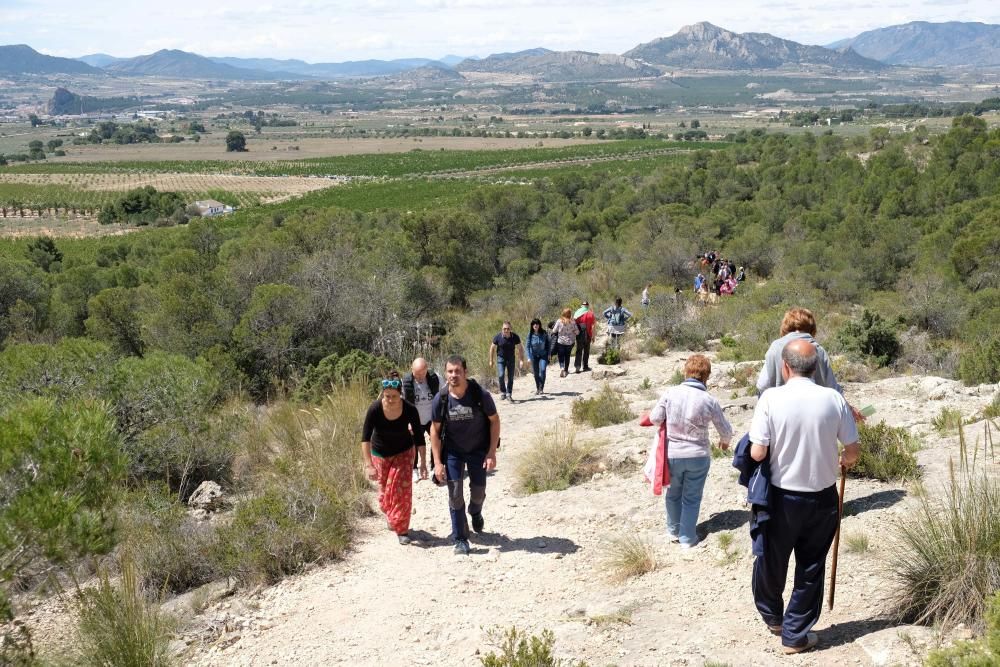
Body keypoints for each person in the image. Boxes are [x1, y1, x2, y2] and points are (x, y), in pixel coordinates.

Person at [748, 340, 860, 654]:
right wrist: (845, 460)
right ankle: (796, 634)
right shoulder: (834, 399)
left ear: (785, 367)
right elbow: (852, 451)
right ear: (816, 368)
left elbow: (758, 451)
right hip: (822, 498)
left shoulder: (771, 398)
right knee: (811, 566)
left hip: (780, 499)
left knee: (772, 559)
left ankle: (774, 618)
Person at [647, 354, 733, 548]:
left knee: (673, 494)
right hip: (698, 455)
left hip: (673, 454)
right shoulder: (709, 400)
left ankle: (673, 531)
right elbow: (725, 430)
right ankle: (687, 538)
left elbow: (654, 418)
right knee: (692, 497)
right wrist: (724, 442)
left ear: (686, 372)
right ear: (706, 376)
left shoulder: (670, 393)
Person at [431, 355, 500, 555]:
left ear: (465, 372)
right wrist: (437, 462)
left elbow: (494, 421)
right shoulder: (441, 399)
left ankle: (475, 511)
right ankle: (460, 538)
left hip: (478, 450)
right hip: (453, 452)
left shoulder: (480, 395)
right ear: (445, 374)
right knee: (454, 495)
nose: (454, 375)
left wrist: (491, 452)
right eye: (450, 371)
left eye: (457, 371)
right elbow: (434, 431)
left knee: (478, 492)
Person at [755, 307, 865, 423]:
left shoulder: (775, 347)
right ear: (812, 327)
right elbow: (831, 386)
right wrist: (849, 408)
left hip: (779, 417)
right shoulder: (818, 349)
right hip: (814, 418)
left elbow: (763, 385)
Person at [362, 371, 427, 545]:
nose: (390, 400)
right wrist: (368, 465)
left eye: (394, 396)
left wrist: (422, 463)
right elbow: (365, 438)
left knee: (402, 490)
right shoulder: (375, 409)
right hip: (380, 454)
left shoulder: (409, 409)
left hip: (404, 452)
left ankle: (402, 529)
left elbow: (420, 438)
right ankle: (391, 513)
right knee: (384, 495)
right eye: (387, 396)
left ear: (401, 395)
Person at [402, 357, 441, 479]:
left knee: (437, 441)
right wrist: (406, 420)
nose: (419, 377)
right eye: (416, 374)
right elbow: (402, 403)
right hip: (414, 419)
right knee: (413, 444)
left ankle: (434, 466)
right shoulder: (406, 382)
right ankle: (414, 469)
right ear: (411, 369)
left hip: (431, 418)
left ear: (427, 369)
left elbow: (444, 394)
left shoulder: (435, 379)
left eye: (422, 373)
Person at [488, 321, 524, 401]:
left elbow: (520, 348)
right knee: (501, 375)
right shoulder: (498, 337)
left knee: (510, 377)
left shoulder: (515, 337)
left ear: (510, 329)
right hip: (501, 358)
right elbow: (492, 348)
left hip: (511, 358)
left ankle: (509, 394)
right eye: (504, 329)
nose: (506, 330)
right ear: (502, 329)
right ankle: (503, 392)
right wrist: (491, 360)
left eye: (508, 329)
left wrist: (521, 360)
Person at [525, 318, 551, 395]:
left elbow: (548, 345)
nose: (535, 325)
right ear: (532, 326)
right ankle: (538, 388)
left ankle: (541, 388)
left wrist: (549, 354)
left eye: (537, 324)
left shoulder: (544, 333)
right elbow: (527, 347)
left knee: (542, 370)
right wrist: (529, 357)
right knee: (536, 373)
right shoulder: (530, 334)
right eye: (534, 324)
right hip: (534, 356)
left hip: (543, 355)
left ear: (539, 325)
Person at [551, 308, 579, 378]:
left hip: (561, 341)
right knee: (567, 356)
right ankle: (566, 371)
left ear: (563, 313)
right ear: (570, 314)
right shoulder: (573, 322)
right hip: (570, 342)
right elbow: (577, 332)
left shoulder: (559, 321)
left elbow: (554, 331)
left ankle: (562, 368)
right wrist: (573, 331)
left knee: (561, 356)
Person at [574, 301, 595, 373]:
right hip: (588, 334)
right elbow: (593, 326)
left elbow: (574, 324)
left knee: (579, 350)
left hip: (579, 334)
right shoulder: (590, 314)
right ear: (587, 306)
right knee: (586, 351)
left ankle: (577, 366)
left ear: (582, 305)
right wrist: (593, 336)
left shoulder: (577, 313)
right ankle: (585, 366)